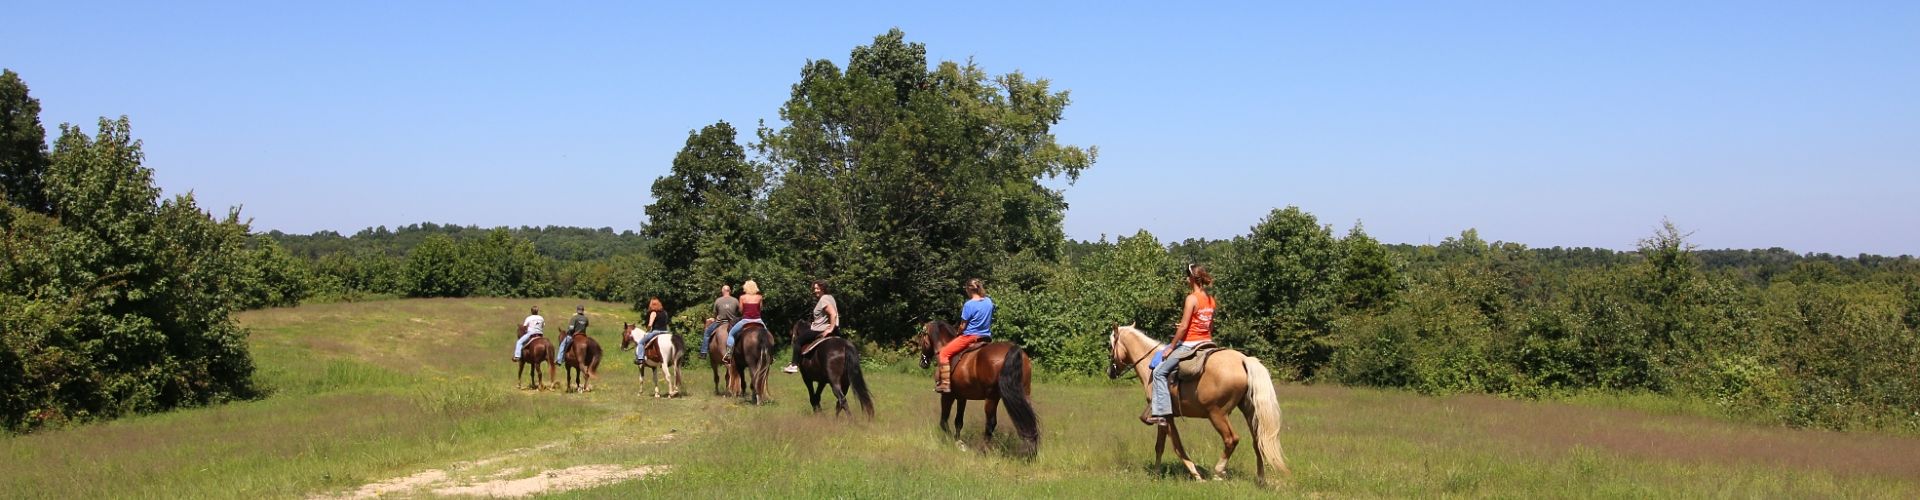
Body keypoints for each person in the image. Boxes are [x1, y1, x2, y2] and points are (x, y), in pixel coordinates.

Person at [1143, 264, 1216, 427]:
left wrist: (1171, 346)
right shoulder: (1211, 300)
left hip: (1190, 344)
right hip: (1208, 342)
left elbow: (1183, 327)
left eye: (1186, 276)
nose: (1185, 279)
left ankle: (1161, 414)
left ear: (1192, 278)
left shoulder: (1191, 298)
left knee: (1160, 372)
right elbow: (1209, 326)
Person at [935, 278, 994, 393]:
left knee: (944, 353)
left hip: (970, 337)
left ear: (969, 289)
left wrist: (958, 332)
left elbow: (963, 326)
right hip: (986, 336)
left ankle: (945, 384)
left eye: (966, 289)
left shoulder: (969, 304)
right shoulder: (988, 301)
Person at [785, 280, 837, 374]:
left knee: (798, 341)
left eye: (817, 288)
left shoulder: (824, 299)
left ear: (823, 288)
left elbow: (833, 314)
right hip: (828, 328)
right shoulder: (830, 297)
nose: (815, 290)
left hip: (820, 329)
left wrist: (830, 328)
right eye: (814, 288)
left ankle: (794, 365)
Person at [724, 280, 767, 363]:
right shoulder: (759, 297)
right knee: (768, 335)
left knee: (731, 334)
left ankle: (729, 354)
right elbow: (760, 309)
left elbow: (741, 310)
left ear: (746, 287)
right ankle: (770, 355)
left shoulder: (742, 297)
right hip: (758, 320)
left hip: (746, 320)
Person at [699, 284, 740, 356]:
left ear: (722, 291)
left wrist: (714, 318)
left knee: (707, 333)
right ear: (730, 291)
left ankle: (703, 352)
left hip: (719, 322)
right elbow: (738, 311)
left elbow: (715, 313)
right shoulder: (735, 300)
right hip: (733, 323)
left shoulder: (718, 301)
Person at [633, 298, 671, 365]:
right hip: (665, 332)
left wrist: (647, 331)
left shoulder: (653, 313)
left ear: (651, 305)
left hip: (656, 332)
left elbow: (650, 325)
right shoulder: (665, 313)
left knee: (641, 343)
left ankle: (640, 359)